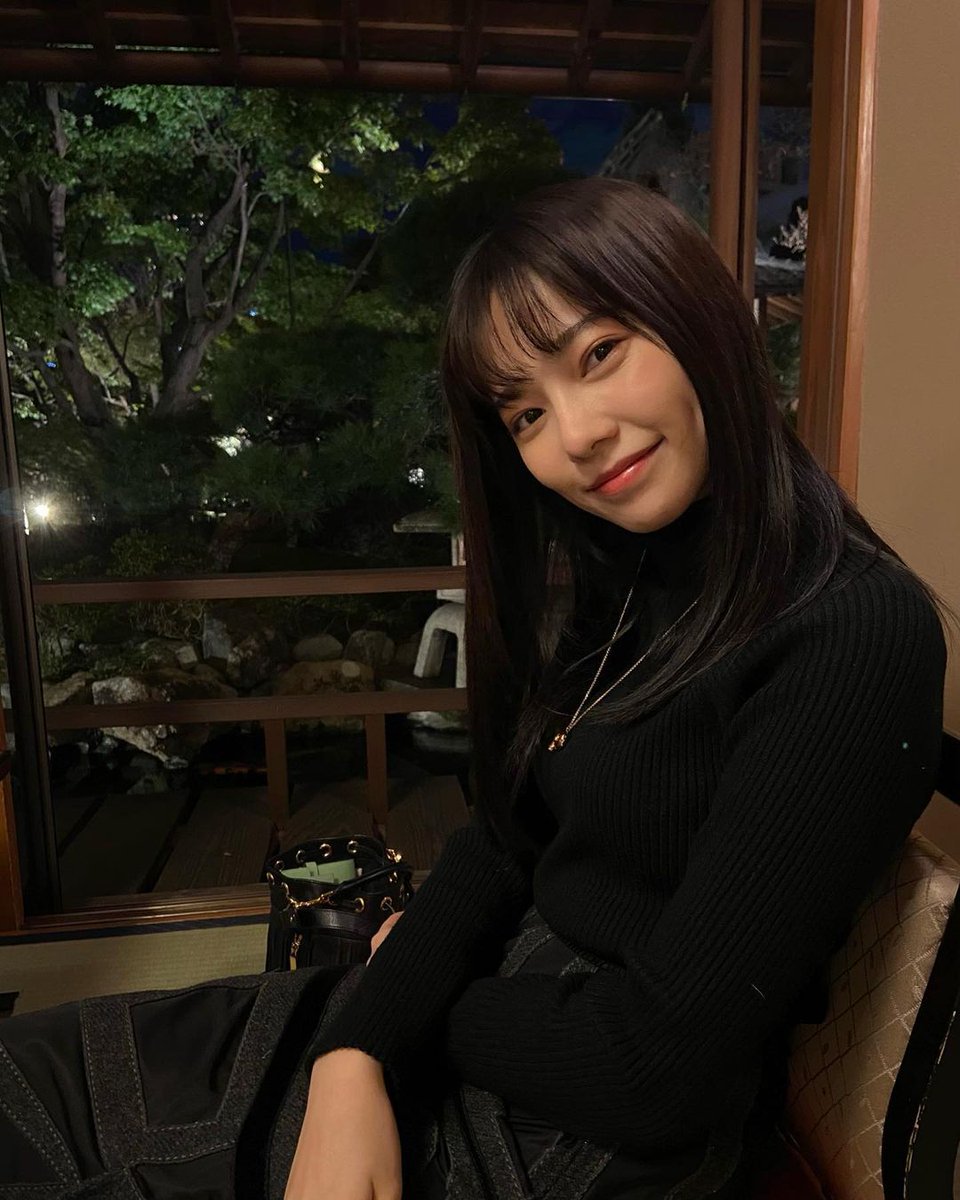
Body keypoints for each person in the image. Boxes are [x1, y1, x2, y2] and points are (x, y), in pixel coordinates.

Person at [0, 178, 949, 1200]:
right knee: (28, 1073)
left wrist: (404, 1003)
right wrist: (359, 1047)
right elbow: (506, 842)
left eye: (599, 354)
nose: (576, 434)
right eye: (526, 412)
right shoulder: (639, 575)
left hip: (580, 1127)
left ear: (699, 319)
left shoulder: (851, 629)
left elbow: (655, 1073)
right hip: (507, 1014)